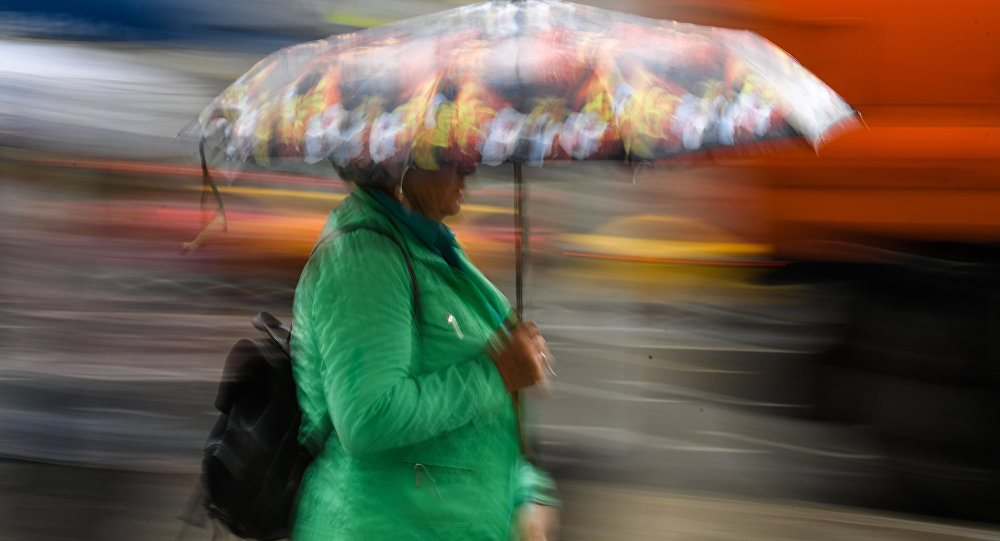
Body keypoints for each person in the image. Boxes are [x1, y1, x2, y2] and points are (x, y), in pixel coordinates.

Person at [289, 160, 560, 540]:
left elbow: (479, 420)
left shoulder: (431, 247)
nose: (470, 167)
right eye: (451, 154)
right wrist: (496, 373)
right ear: (397, 164)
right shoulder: (364, 260)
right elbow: (368, 416)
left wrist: (524, 494)